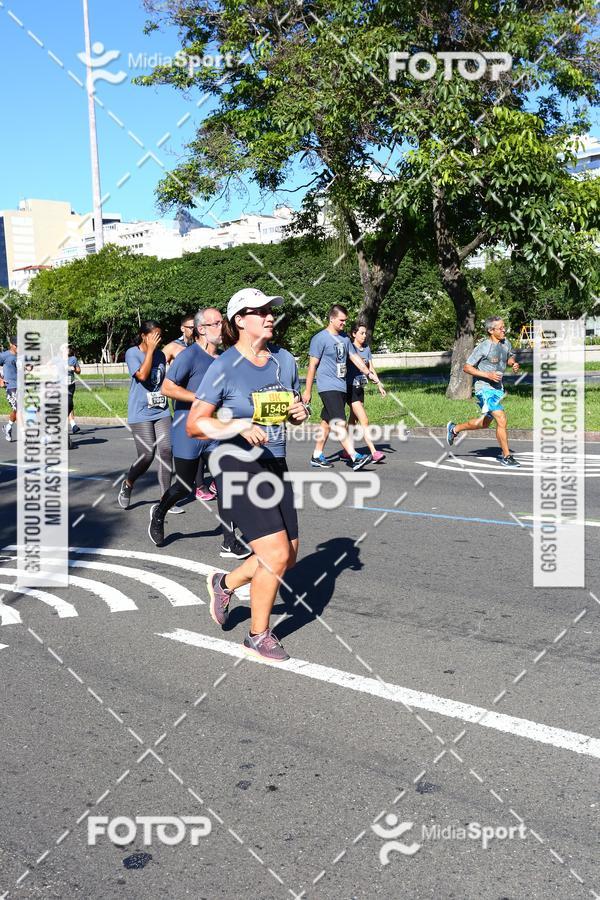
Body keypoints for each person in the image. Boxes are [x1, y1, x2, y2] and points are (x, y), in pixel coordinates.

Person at [187, 287, 309, 662]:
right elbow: (195, 424)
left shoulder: (284, 360)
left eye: (272, 310)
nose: (270, 316)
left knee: (288, 553)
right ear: (239, 321)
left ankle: (225, 583)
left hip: (273, 460)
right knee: (273, 552)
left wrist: (298, 411)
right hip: (235, 463)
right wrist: (237, 425)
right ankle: (258, 634)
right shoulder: (224, 367)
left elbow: (289, 404)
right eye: (261, 311)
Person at [148, 307, 250, 559]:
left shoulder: (225, 357)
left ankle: (229, 540)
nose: (221, 327)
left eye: (221, 322)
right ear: (201, 329)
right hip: (188, 430)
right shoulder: (189, 355)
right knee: (184, 486)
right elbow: (167, 388)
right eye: (215, 324)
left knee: (226, 483)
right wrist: (203, 399)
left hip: (215, 432)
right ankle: (159, 513)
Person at [302, 304, 382, 470]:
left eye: (345, 320)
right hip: (327, 386)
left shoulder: (345, 339)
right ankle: (354, 456)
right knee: (339, 421)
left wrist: (369, 373)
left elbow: (355, 358)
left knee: (326, 420)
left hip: (341, 386)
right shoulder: (320, 339)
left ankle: (317, 455)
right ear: (332, 319)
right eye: (341, 320)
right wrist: (308, 390)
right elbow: (312, 367)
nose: (344, 323)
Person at [446, 316, 521, 467]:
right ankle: (506, 456)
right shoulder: (483, 347)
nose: (504, 330)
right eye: (500, 328)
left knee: (485, 423)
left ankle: (454, 429)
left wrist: (513, 364)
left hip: (498, 389)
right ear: (491, 330)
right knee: (501, 418)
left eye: (504, 327)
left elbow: (508, 357)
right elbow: (467, 367)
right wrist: (488, 375)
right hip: (484, 389)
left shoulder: (506, 343)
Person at [118, 321, 173, 508]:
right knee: (147, 455)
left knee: (166, 450)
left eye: (160, 335)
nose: (158, 339)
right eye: (154, 335)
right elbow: (142, 376)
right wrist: (149, 351)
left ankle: (166, 500)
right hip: (140, 412)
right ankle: (128, 483)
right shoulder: (132, 353)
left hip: (162, 409)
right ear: (144, 336)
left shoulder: (161, 355)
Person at [341, 322, 387, 463]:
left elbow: (371, 368)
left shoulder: (366, 349)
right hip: (350, 388)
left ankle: (345, 451)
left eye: (365, 333)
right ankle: (374, 452)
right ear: (354, 334)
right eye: (361, 333)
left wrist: (379, 384)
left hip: (360, 388)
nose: (364, 335)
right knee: (364, 420)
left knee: (353, 421)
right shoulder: (350, 347)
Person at [0, 336, 18, 442]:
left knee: (17, 410)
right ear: (11, 344)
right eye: (16, 345)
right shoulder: (4, 355)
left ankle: (8, 427)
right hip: (11, 386)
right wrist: (0, 380)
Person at [64, 346, 81, 433]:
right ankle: (73, 424)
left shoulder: (73, 359)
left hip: (70, 385)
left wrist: (74, 369)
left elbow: (79, 370)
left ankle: (72, 424)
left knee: (69, 404)